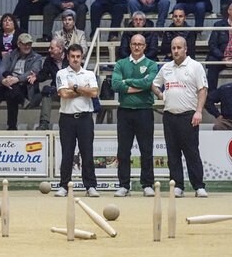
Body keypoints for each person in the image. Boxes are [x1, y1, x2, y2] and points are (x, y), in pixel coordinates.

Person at [152, 36, 208, 198]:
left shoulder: (195, 67)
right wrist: (161, 94)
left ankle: (198, 186)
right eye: (173, 48)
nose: (176, 51)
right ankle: (177, 186)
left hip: (189, 116)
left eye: (179, 48)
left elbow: (202, 90)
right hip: (169, 117)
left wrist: (198, 111)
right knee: (173, 154)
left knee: (191, 152)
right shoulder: (166, 68)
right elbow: (154, 84)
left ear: (185, 49)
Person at [111, 34, 158, 197]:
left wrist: (127, 82)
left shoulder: (152, 65)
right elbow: (115, 84)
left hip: (144, 111)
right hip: (124, 111)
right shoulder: (120, 63)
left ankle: (147, 184)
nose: (137, 47)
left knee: (146, 149)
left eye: (140, 44)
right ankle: (124, 185)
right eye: (134, 44)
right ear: (130, 45)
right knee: (123, 150)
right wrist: (139, 85)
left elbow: (148, 83)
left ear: (145, 46)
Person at [53, 43, 100, 198]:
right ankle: (64, 186)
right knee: (67, 153)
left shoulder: (89, 74)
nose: (75, 59)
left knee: (87, 152)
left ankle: (90, 186)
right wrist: (81, 89)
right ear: (68, 57)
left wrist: (73, 88)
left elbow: (94, 93)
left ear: (82, 57)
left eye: (78, 56)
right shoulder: (61, 73)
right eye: (72, 56)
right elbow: (63, 94)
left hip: (85, 118)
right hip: (67, 118)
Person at [0, 33, 43, 130]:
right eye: (24, 44)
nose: (27, 46)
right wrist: (4, 80)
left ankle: (12, 126)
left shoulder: (36, 57)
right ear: (18, 44)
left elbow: (33, 71)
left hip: (25, 86)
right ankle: (22, 101)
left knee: (11, 91)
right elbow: (0, 70)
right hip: (9, 84)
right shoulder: (9, 55)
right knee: (11, 90)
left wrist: (17, 79)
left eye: (29, 44)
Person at [31, 38, 68, 130]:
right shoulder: (49, 60)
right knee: (47, 91)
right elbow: (44, 74)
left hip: (71, 89)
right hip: (57, 89)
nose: (49, 50)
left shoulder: (70, 56)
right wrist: (36, 77)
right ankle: (44, 123)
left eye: (52, 48)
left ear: (60, 49)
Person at [0, 14, 23, 96]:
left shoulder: (21, 33)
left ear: (14, 23)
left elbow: (26, 48)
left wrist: (13, 54)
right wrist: (0, 53)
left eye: (10, 20)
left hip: (17, 59)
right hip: (0, 59)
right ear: (2, 24)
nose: (7, 22)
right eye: (5, 20)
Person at [205, 1, 232, 91]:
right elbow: (212, 44)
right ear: (229, 11)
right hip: (221, 57)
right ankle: (211, 96)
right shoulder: (219, 25)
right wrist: (223, 57)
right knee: (212, 62)